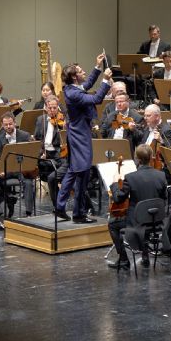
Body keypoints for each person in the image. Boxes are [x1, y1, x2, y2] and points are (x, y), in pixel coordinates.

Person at [53, 53, 114, 224]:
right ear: (74, 76)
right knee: (81, 172)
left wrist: (97, 67)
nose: (84, 72)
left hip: (79, 133)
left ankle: (65, 208)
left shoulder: (73, 89)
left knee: (77, 172)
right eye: (81, 71)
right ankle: (75, 212)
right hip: (80, 136)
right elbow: (96, 98)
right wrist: (105, 80)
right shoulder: (72, 94)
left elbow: (86, 85)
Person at [108, 144, 170, 269]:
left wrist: (115, 183)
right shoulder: (161, 175)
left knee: (112, 224)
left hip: (137, 222)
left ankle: (124, 260)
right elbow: (164, 199)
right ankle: (145, 256)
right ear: (151, 157)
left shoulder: (130, 178)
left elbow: (118, 198)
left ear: (137, 159)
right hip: (156, 220)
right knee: (146, 211)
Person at [0, 112, 36, 218]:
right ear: (2, 126)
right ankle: (8, 199)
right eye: (6, 125)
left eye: (10, 124)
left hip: (21, 169)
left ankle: (28, 213)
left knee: (28, 183)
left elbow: (33, 152)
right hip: (7, 169)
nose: (8, 126)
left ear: (15, 123)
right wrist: (0, 169)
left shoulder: (25, 135)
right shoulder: (0, 139)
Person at [34, 94, 67, 205]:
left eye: (54, 108)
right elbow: (37, 139)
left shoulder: (63, 120)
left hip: (59, 153)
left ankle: (59, 202)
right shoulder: (40, 120)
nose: (52, 110)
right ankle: (56, 204)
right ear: (46, 108)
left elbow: (65, 140)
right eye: (50, 108)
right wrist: (40, 152)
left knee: (63, 170)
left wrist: (65, 127)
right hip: (45, 154)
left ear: (58, 107)